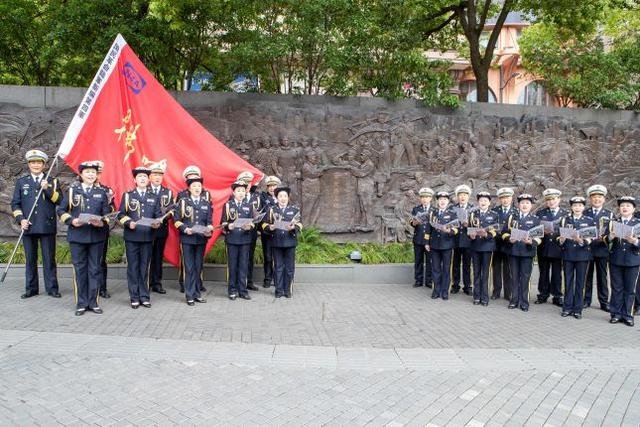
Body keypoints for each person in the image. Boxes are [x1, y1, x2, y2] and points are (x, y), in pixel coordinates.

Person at [58, 161, 111, 316]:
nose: (90, 175)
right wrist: (71, 220)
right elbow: (61, 210)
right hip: (77, 236)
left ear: (96, 175)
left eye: (93, 172)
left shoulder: (102, 192)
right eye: (87, 172)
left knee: (95, 270)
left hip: (96, 237)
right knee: (80, 270)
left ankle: (93, 302)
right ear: (81, 174)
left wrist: (102, 222)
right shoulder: (72, 191)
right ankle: (81, 303)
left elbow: (107, 213)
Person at [11, 149, 61, 299]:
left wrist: (48, 189)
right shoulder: (22, 182)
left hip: (46, 225)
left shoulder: (52, 180)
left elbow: (60, 201)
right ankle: (31, 289)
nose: (36, 165)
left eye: (39, 162)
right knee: (30, 259)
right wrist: (21, 219)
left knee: (49, 259)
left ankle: (52, 288)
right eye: (32, 162)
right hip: (29, 225)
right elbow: (15, 204)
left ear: (44, 165)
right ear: (28, 164)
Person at [117, 167, 161, 309]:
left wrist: (157, 223)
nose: (142, 179)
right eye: (140, 177)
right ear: (135, 180)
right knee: (133, 267)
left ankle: (144, 296)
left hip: (147, 237)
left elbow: (158, 216)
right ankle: (134, 297)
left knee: (144, 267)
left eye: (145, 177)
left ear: (148, 180)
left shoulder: (154, 197)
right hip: (132, 237)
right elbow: (120, 214)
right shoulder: (128, 195)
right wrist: (128, 222)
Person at [173, 175, 213, 306]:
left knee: (198, 267)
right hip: (187, 239)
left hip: (201, 239)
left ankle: (197, 294)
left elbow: (209, 222)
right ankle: (189, 295)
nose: (197, 188)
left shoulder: (206, 203)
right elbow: (176, 220)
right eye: (194, 186)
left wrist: (209, 228)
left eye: (199, 186)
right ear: (189, 189)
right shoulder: (183, 202)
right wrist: (185, 229)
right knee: (189, 268)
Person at [502, 194, 542, 312]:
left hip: (527, 252)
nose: (524, 205)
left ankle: (524, 302)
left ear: (531, 205)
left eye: (527, 203)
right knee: (514, 277)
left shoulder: (535, 219)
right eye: (522, 203)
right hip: (513, 251)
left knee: (525, 278)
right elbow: (504, 232)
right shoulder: (511, 218)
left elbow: (539, 237)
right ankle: (514, 300)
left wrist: (532, 241)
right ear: (518, 205)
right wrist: (509, 238)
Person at [558, 196, 595, 319]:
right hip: (568, 254)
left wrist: (582, 241)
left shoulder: (589, 220)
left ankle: (578, 309)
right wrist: (561, 239)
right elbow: (559, 236)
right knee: (568, 282)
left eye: (580, 205)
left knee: (580, 283)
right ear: (571, 207)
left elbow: (592, 238)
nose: (577, 208)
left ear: (583, 207)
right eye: (574, 205)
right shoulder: (565, 220)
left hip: (582, 255)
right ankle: (567, 307)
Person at [263, 185, 302, 298]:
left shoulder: (294, 210)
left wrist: (293, 228)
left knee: (289, 268)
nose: (283, 198)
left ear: (288, 197)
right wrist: (270, 227)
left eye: (285, 196)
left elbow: (300, 224)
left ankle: (287, 290)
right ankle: (279, 290)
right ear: (277, 198)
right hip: (276, 242)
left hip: (290, 242)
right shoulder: (272, 210)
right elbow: (264, 224)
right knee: (278, 267)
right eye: (280, 196)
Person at [606, 196, 639, 327]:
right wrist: (610, 237)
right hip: (616, 259)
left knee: (630, 290)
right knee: (616, 288)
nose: (625, 208)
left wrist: (635, 241)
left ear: (633, 209)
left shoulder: (638, 223)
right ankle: (616, 314)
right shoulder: (613, 223)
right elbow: (604, 239)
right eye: (622, 206)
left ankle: (628, 315)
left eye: (628, 206)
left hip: (633, 260)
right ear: (619, 208)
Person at [221, 180, 255, 300]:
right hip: (232, 239)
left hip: (245, 239)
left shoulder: (249, 206)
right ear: (234, 192)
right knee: (232, 266)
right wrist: (228, 226)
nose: (241, 193)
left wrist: (250, 226)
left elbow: (253, 222)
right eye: (238, 191)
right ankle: (232, 290)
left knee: (243, 265)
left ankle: (243, 290)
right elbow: (223, 222)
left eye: (243, 191)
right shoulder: (227, 205)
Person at [535, 188, 567, 307]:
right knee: (543, 272)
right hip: (544, 246)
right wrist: (542, 231)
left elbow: (569, 229)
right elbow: (535, 229)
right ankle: (543, 294)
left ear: (559, 199)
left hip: (558, 247)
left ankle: (557, 296)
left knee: (557, 273)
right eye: (548, 200)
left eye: (553, 199)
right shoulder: (540, 213)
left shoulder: (565, 214)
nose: (551, 202)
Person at [584, 185, 613, 312]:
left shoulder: (609, 214)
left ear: (604, 199)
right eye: (594, 197)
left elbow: (612, 231)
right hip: (587, 249)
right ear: (590, 199)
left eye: (599, 197)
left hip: (602, 249)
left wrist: (606, 237)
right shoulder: (585, 213)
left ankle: (604, 302)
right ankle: (586, 300)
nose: (597, 199)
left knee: (602, 278)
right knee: (587, 276)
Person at [425, 191, 458, 300]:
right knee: (435, 269)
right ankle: (436, 290)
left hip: (447, 245)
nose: (442, 201)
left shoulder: (452, 214)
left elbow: (456, 229)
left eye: (444, 199)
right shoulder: (432, 213)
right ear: (437, 201)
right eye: (440, 199)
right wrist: (426, 242)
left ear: (448, 201)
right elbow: (428, 229)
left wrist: (449, 231)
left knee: (446, 269)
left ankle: (445, 291)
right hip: (434, 245)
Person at [469, 191, 499, 306]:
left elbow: (496, 232)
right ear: (478, 202)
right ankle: (476, 296)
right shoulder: (473, 214)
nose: (483, 202)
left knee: (486, 273)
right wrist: (471, 235)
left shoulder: (494, 215)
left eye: (485, 200)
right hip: (475, 246)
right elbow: (470, 229)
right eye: (481, 200)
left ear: (489, 202)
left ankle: (485, 297)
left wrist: (487, 234)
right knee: (476, 272)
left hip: (487, 247)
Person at [148, 162, 173, 295]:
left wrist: (165, 216)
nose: (157, 177)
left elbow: (172, 211)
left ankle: (157, 283)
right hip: (146, 230)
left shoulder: (167, 192)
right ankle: (146, 282)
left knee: (158, 257)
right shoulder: (145, 190)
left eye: (160, 175)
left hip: (161, 229)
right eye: (155, 174)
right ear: (149, 176)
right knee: (146, 257)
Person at [236, 171, 261, 291]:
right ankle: (237, 282)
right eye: (245, 182)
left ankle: (249, 281)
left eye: (249, 183)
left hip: (252, 231)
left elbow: (259, 212)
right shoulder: (234, 198)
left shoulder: (256, 197)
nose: (247, 185)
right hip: (238, 232)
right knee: (238, 258)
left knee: (249, 257)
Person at [95, 160, 115, 299]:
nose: (95, 175)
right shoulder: (78, 189)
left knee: (101, 259)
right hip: (85, 229)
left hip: (102, 228)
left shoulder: (107, 190)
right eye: (93, 172)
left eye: (98, 173)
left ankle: (102, 288)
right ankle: (90, 287)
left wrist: (106, 211)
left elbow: (113, 208)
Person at [492, 187, 517, 301]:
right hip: (496, 244)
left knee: (508, 269)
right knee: (496, 268)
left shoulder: (516, 212)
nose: (505, 200)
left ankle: (508, 293)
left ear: (511, 198)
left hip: (509, 244)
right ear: (499, 199)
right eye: (503, 198)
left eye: (507, 197)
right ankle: (496, 292)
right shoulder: (494, 211)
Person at [451, 184, 474, 295]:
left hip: (468, 241)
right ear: (457, 196)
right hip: (455, 240)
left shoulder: (473, 209)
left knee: (467, 265)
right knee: (455, 264)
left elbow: (477, 225)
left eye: (465, 195)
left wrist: (468, 224)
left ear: (468, 196)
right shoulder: (452, 209)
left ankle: (467, 286)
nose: (463, 197)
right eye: (460, 195)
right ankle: (455, 285)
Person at [259, 175, 281, 288]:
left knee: (278, 257)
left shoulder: (282, 197)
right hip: (267, 232)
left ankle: (278, 279)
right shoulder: (263, 197)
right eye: (270, 186)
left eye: (274, 186)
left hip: (279, 232)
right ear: (267, 187)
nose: (272, 188)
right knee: (268, 257)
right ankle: (267, 278)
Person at [410, 187, 433, 288]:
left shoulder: (434, 210)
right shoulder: (416, 209)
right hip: (418, 238)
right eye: (423, 197)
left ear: (430, 198)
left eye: (427, 197)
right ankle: (418, 280)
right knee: (418, 260)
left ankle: (429, 281)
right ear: (420, 198)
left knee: (430, 261)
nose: (424, 199)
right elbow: (411, 222)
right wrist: (415, 222)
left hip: (430, 240)